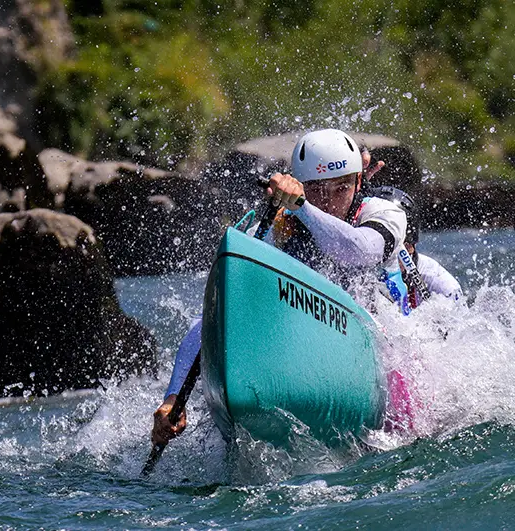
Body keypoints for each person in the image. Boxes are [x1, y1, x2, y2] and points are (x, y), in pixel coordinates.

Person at [152, 129, 410, 447]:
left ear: (358, 182)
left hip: (375, 348)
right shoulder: (277, 228)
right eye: (317, 189)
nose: (329, 201)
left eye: (341, 187)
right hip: (303, 345)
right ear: (300, 184)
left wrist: (303, 206)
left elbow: (358, 251)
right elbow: (212, 319)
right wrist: (172, 398)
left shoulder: (384, 213)